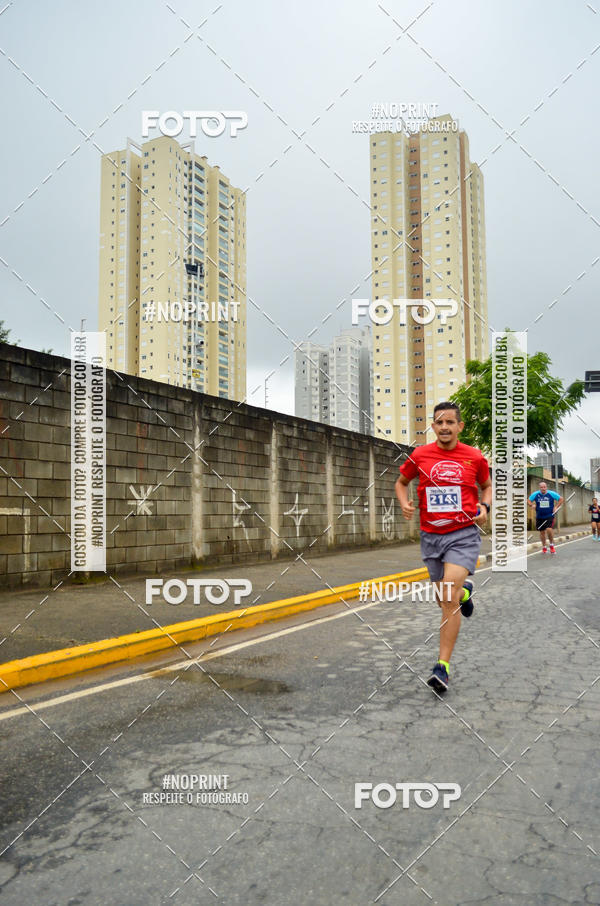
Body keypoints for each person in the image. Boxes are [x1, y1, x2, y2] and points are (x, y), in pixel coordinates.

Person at [395, 402, 491, 694]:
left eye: (450, 422)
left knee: (447, 598)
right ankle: (465, 592)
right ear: (433, 427)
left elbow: (486, 485)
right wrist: (404, 501)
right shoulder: (421, 455)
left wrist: (484, 505)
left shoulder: (474, 457)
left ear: (460, 426)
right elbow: (401, 482)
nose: (445, 427)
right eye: (439, 422)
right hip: (431, 536)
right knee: (445, 599)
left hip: (463, 534)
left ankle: (442, 667)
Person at [528, 481, 563, 554]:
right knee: (542, 532)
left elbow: (561, 499)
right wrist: (531, 505)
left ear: (546, 487)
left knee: (549, 529)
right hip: (539, 516)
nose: (543, 488)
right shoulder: (536, 494)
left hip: (549, 515)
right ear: (539, 488)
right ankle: (544, 546)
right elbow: (528, 500)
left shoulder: (551, 493)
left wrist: (556, 506)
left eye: (544, 487)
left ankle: (551, 545)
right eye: (541, 487)